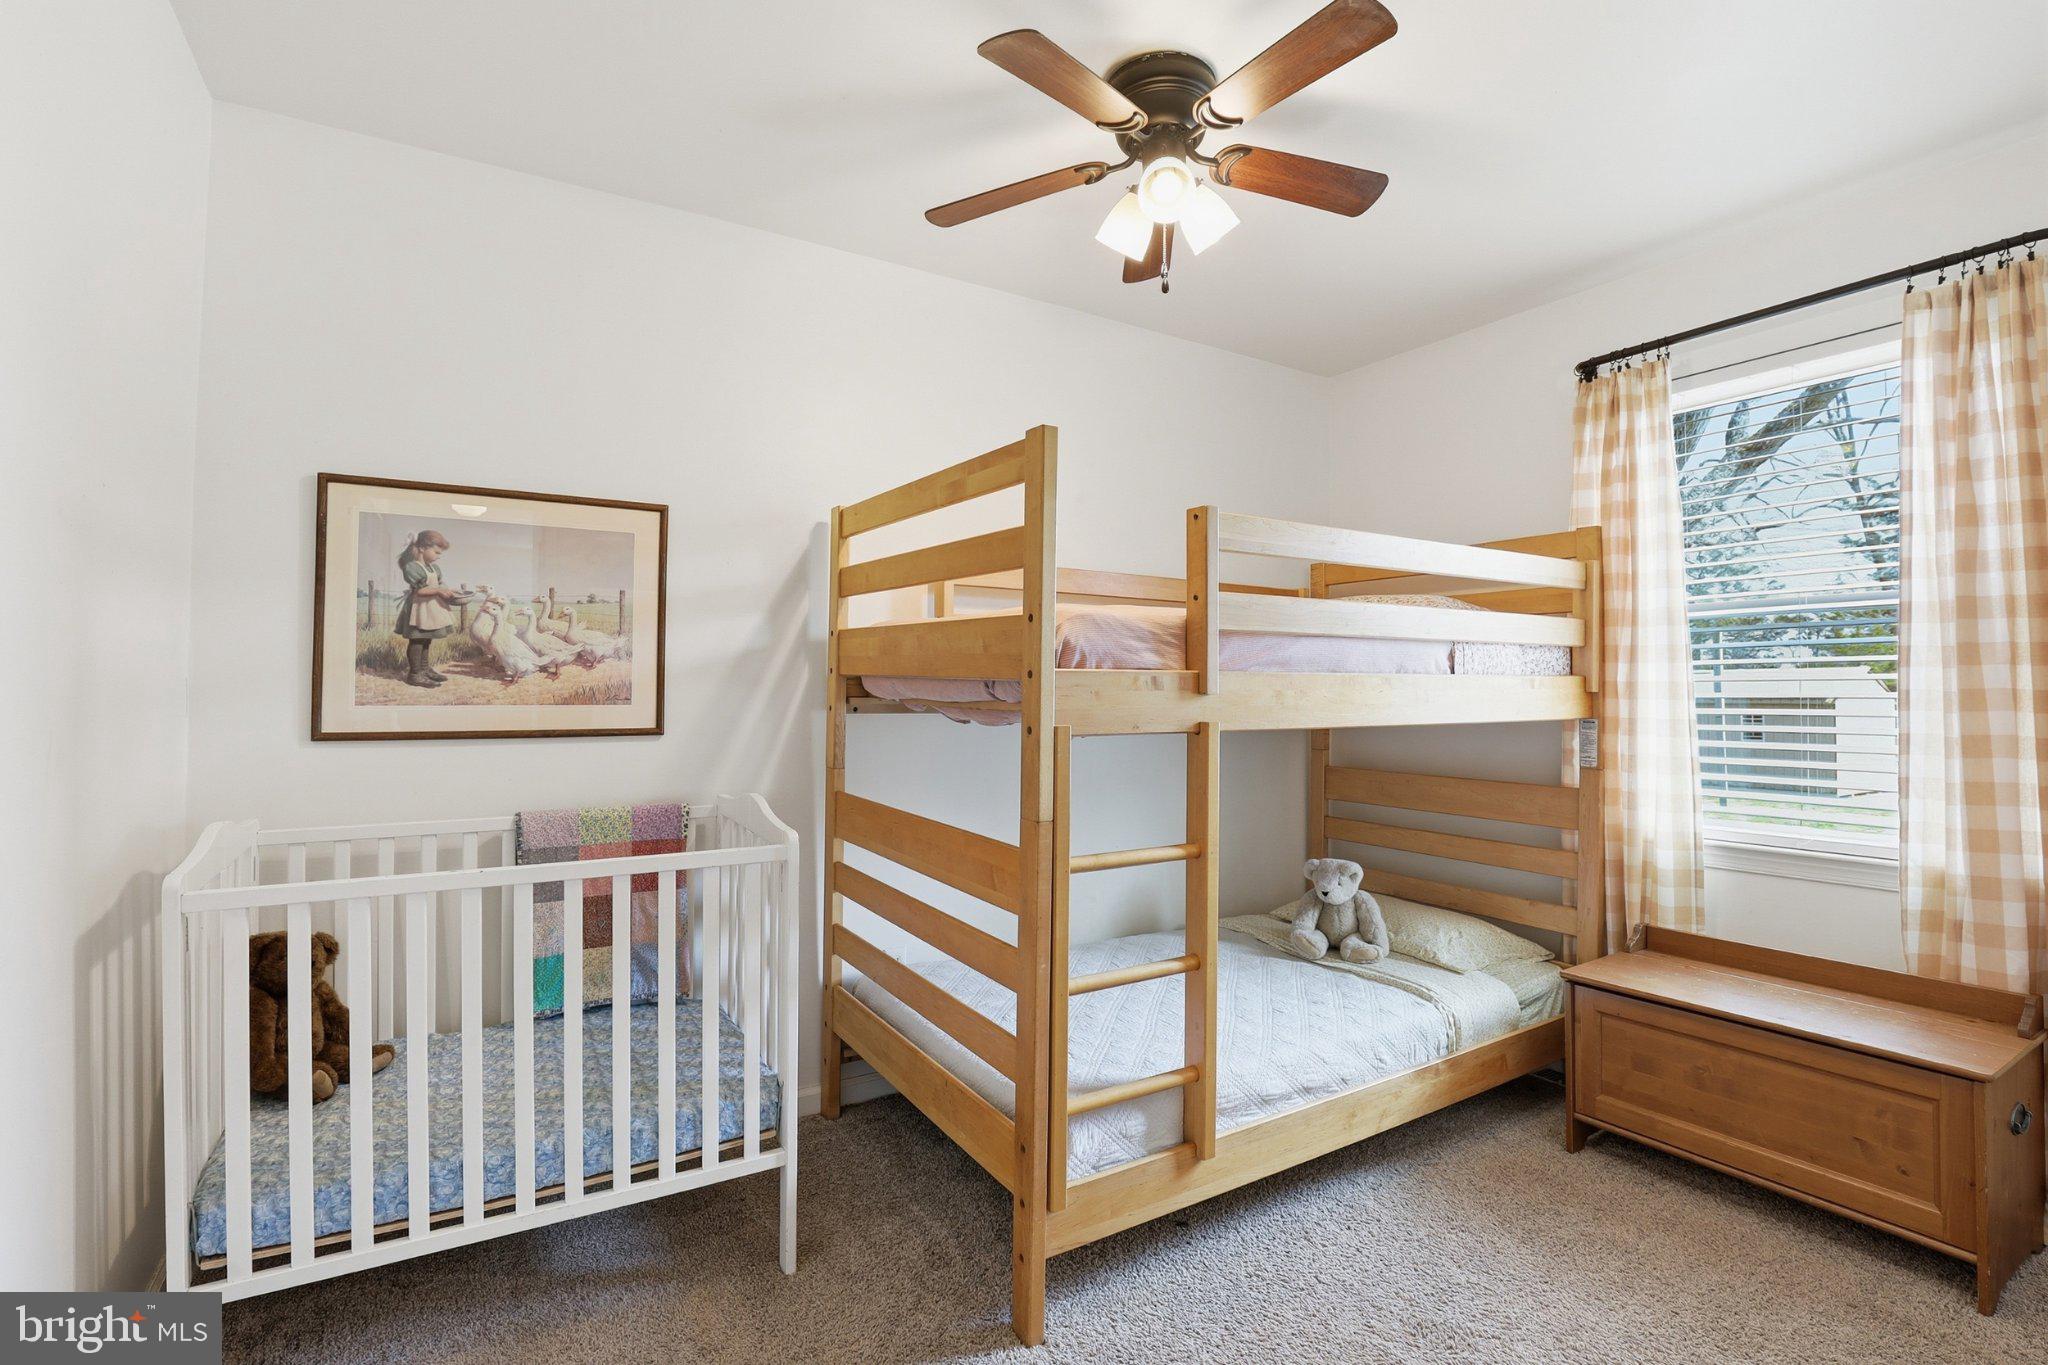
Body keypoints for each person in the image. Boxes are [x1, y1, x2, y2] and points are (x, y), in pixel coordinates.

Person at [395, 530, 467, 688]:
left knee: (427, 639)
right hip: (418, 610)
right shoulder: (412, 567)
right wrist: (439, 591)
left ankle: (425, 669)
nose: (438, 556)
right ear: (421, 548)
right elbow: (419, 591)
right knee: (417, 640)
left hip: (430, 609)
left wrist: (451, 590)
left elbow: (439, 585)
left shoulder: (434, 568)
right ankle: (415, 674)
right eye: (436, 552)